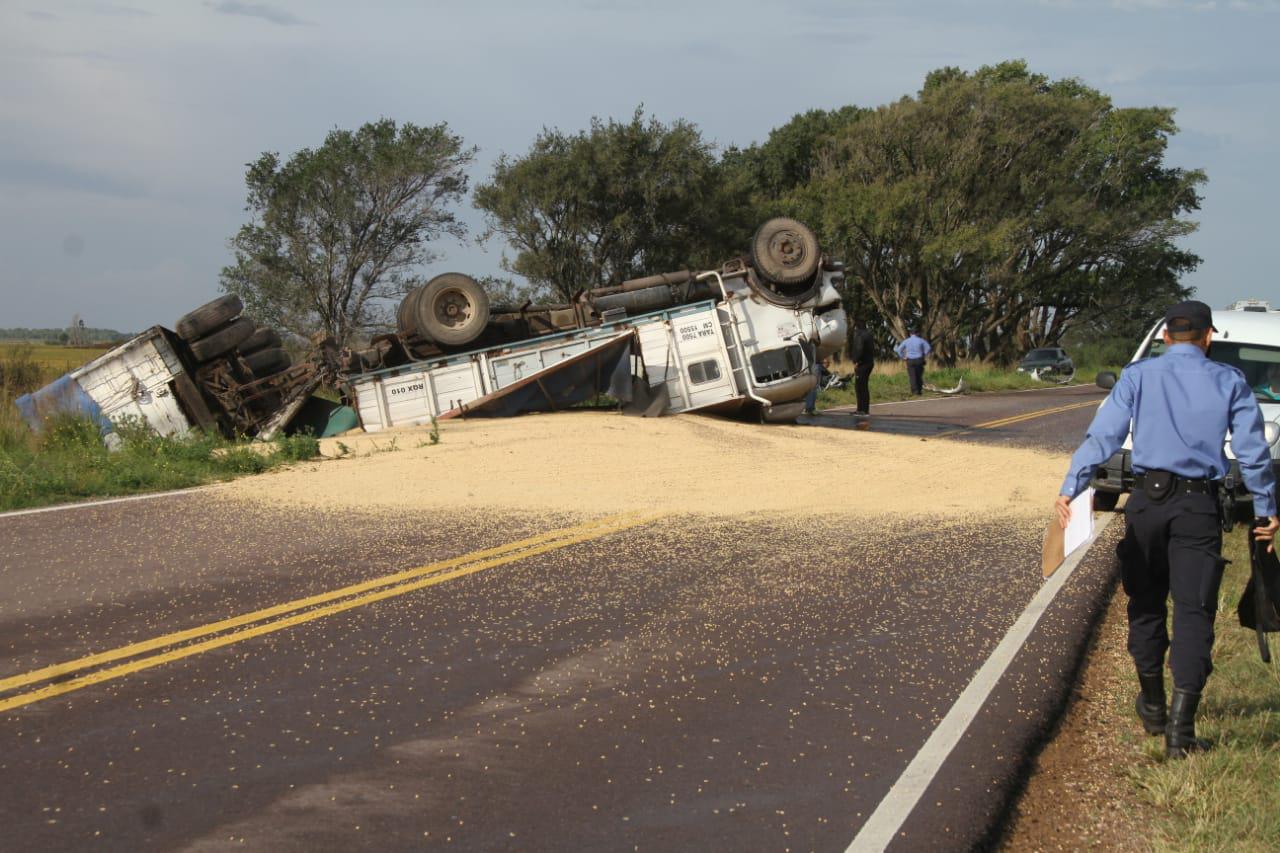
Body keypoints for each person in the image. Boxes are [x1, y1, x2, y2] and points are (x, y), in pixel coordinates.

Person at [1057, 299, 1279, 759]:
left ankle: (1153, 704)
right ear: (1208, 337)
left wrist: (1071, 487)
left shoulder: (1138, 376)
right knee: (1195, 610)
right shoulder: (1230, 381)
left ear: (1164, 337)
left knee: (1145, 601)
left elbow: (1103, 437)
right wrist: (1265, 510)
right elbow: (1253, 453)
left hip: (1146, 504)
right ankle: (1181, 730)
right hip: (1199, 507)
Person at [848, 318, 875, 416]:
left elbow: (859, 349)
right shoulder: (869, 334)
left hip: (862, 364)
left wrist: (856, 361)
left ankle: (862, 410)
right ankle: (863, 409)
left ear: (857, 327)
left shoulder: (859, 335)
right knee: (864, 386)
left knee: (859, 387)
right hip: (869, 362)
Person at [894, 327, 931, 395]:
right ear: (917, 333)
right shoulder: (921, 340)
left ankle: (914, 391)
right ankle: (919, 390)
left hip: (910, 360)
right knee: (919, 375)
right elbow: (928, 348)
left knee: (912, 376)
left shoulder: (906, 341)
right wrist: (923, 354)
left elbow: (899, 350)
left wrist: (903, 357)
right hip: (919, 359)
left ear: (910, 334)